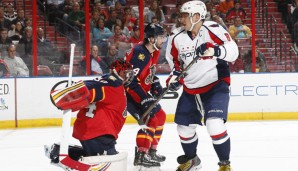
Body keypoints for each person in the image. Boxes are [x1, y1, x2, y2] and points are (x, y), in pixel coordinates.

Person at [165, 1, 239, 171]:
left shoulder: (212, 28)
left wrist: (215, 50)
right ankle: (192, 160)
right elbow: (176, 64)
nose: (181, 19)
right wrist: (175, 78)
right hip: (191, 88)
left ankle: (224, 165)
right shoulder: (176, 36)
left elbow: (233, 50)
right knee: (183, 128)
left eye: (185, 15)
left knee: (214, 124)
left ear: (197, 17)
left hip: (215, 85)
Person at [45, 59, 134, 169]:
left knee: (92, 157)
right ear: (116, 72)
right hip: (98, 133)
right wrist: (68, 94)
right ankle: (65, 153)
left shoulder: (107, 81)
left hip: (93, 131)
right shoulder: (113, 85)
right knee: (108, 165)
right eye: (125, 73)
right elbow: (91, 89)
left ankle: (63, 151)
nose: (129, 76)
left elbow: (90, 87)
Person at [125, 23, 167, 169]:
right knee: (151, 119)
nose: (164, 39)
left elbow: (149, 72)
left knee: (160, 116)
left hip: (139, 91)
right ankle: (141, 156)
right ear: (151, 39)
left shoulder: (153, 51)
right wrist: (145, 98)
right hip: (128, 94)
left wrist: (155, 83)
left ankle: (151, 151)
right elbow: (129, 82)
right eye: (161, 37)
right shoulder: (140, 53)